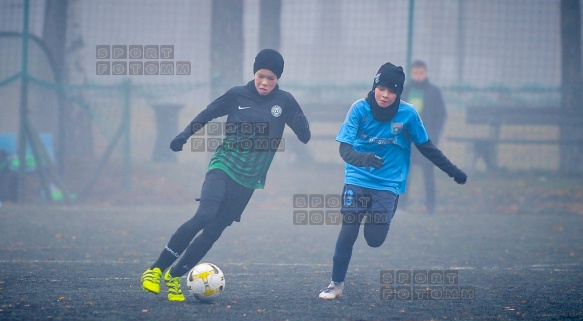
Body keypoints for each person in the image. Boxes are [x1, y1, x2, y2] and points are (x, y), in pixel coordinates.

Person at [141, 49, 311, 301]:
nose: (265, 82)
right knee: (205, 215)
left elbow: (304, 135)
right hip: (224, 165)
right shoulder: (236, 95)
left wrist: (299, 124)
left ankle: (174, 278)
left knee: (214, 232)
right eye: (261, 76)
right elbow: (207, 114)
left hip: (249, 180)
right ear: (254, 73)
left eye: (271, 78)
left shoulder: (285, 101)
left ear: (278, 79)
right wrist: (183, 136)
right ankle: (155, 270)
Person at [319, 62, 466, 300]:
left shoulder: (407, 114)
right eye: (381, 89)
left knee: (374, 240)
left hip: (388, 184)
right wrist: (363, 157)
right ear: (375, 86)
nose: (385, 95)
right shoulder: (359, 109)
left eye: (392, 91)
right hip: (357, 178)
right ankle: (335, 284)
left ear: (399, 93)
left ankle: (388, 205)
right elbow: (344, 150)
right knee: (348, 230)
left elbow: (426, 147)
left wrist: (453, 171)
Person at [400, 60, 447, 214]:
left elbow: (441, 114)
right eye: (415, 73)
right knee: (404, 173)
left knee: (428, 171)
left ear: (426, 73)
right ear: (411, 73)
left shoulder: (434, 92)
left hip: (426, 139)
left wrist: (434, 134)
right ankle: (401, 204)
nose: (418, 76)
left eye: (421, 73)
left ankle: (430, 205)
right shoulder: (404, 91)